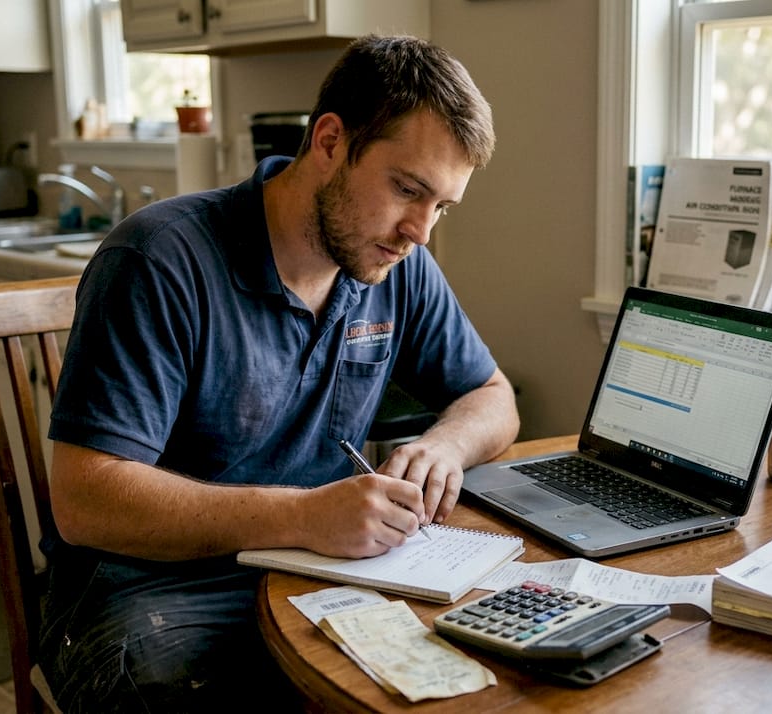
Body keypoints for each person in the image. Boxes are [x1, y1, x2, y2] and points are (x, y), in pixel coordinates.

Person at [37, 35, 520, 712]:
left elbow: (493, 397)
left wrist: (446, 445)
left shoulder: (394, 266)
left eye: (442, 206)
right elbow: (86, 500)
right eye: (408, 189)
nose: (420, 231)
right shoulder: (159, 261)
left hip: (311, 579)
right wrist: (301, 515)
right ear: (329, 142)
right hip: (147, 599)